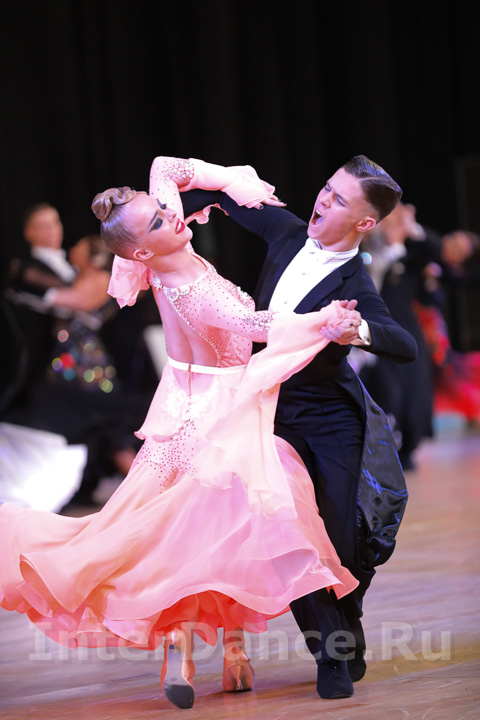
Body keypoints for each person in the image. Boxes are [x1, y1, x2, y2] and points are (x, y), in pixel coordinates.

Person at [0, 160, 362, 711]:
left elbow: (163, 169)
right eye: (158, 219)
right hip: (218, 416)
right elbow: (261, 327)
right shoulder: (192, 289)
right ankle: (232, 652)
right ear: (142, 251)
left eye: (164, 209)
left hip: (179, 412)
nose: (173, 214)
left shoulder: (160, 250)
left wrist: (225, 179)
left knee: (188, 536)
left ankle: (196, 651)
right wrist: (328, 320)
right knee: (235, 531)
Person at [177, 154, 418, 698]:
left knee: (347, 539)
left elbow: (404, 345)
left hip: (330, 415)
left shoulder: (356, 281)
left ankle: (347, 617)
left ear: (364, 222)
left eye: (338, 199)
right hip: (270, 414)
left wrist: (357, 329)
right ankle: (329, 653)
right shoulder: (286, 232)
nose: (322, 200)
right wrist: (166, 214)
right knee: (289, 531)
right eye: (327, 188)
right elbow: (221, 196)